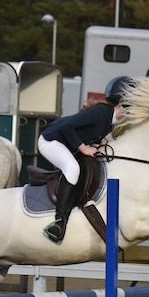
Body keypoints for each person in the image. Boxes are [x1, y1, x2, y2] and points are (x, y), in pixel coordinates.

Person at [37, 76, 129, 243]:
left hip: (65, 142)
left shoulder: (110, 118)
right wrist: (84, 148)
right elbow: (67, 127)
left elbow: (88, 130)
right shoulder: (101, 112)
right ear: (124, 102)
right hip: (50, 141)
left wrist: (100, 140)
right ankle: (59, 222)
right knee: (72, 168)